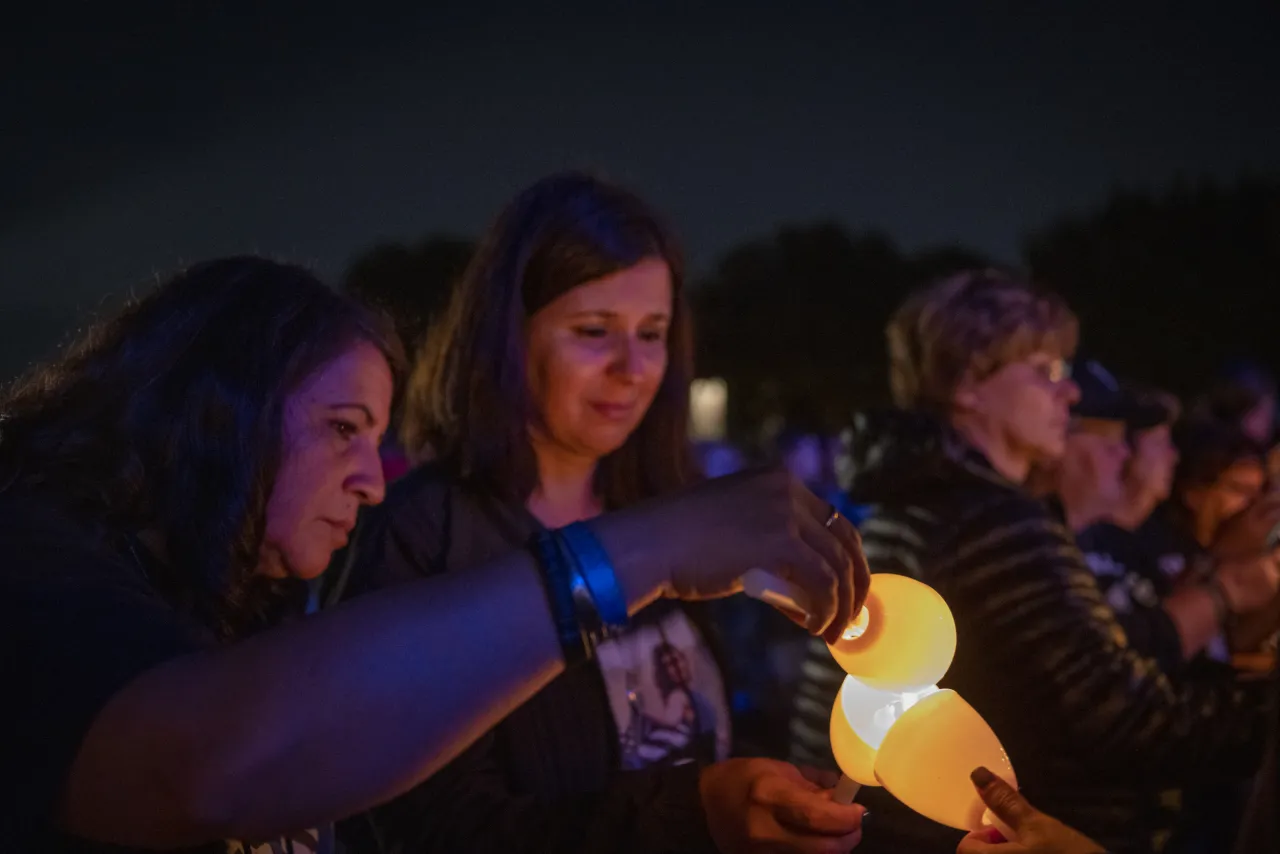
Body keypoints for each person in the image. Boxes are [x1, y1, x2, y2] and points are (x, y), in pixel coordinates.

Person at [0, 256, 869, 854]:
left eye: (655, 332)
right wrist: (646, 552)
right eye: (341, 430)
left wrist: (706, 802)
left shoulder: (225, 604)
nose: (370, 484)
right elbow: (203, 766)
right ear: (213, 411)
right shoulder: (37, 569)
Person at [335, 172, 867, 854]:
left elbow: (700, 725)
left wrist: (768, 790)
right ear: (506, 337)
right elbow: (428, 829)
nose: (633, 367)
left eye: (654, 333)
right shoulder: (427, 538)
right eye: (593, 331)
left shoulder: (663, 508)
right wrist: (696, 813)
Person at [788, 269, 1273, 854]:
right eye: (1045, 372)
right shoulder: (988, 521)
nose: (1069, 395)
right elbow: (1123, 724)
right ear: (968, 385)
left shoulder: (912, 501)